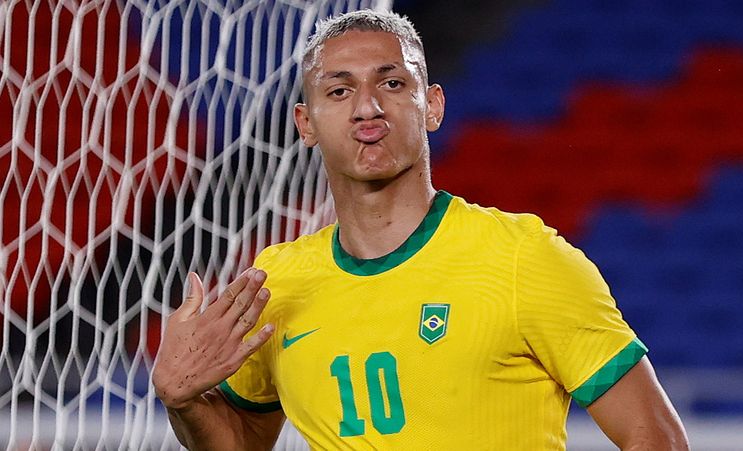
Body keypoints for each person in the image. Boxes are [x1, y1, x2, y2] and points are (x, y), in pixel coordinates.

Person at [152, 9, 689, 450]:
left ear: (431, 105)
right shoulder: (276, 283)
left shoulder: (525, 258)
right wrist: (184, 402)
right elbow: (242, 443)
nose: (367, 107)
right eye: (338, 91)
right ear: (305, 123)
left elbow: (656, 438)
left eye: (391, 83)